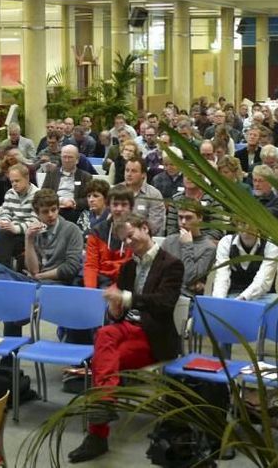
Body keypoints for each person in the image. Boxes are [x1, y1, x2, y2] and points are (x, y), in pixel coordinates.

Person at [68, 214, 183, 464]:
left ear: (145, 228)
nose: (128, 242)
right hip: (127, 327)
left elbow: (164, 304)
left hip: (154, 337)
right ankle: (105, 405)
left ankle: (97, 435)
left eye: (131, 236)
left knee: (104, 360)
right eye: (124, 239)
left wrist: (127, 298)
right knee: (105, 334)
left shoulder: (171, 264)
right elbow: (118, 309)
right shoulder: (128, 267)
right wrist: (115, 308)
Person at [83, 185, 134, 288]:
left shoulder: (137, 232)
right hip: (101, 281)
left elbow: (133, 268)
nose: (119, 209)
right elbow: (91, 266)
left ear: (131, 207)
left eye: (124, 205)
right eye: (115, 204)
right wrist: (90, 293)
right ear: (108, 206)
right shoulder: (97, 231)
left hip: (126, 282)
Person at [210, 226, 278, 300]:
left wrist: (242, 299)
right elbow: (222, 278)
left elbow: (263, 281)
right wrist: (219, 302)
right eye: (242, 222)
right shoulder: (226, 242)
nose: (247, 226)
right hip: (232, 294)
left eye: (250, 222)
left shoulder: (271, 244)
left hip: (264, 296)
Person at [161, 202, 216, 296]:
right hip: (164, 293)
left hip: (187, 298)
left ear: (200, 218)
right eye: (180, 217)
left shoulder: (208, 247)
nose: (183, 222)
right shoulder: (169, 241)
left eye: (188, 217)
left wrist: (187, 245)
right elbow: (158, 272)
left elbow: (188, 278)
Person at [0, 164, 38, 269]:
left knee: (3, 238)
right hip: (10, 232)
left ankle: (1, 270)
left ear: (27, 178)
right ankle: (2, 270)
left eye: (17, 181)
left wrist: (15, 229)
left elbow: (35, 222)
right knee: (1, 233)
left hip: (28, 234)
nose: (14, 184)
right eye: (12, 181)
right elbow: (5, 212)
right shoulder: (10, 193)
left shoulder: (37, 195)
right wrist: (3, 222)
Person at [40, 144, 91, 224]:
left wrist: (73, 202)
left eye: (70, 157)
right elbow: (43, 193)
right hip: (54, 207)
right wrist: (60, 200)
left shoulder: (85, 177)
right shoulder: (52, 173)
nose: (66, 160)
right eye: (64, 157)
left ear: (77, 159)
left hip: (74, 211)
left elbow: (89, 199)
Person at [122, 156, 165, 236]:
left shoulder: (154, 195)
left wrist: (132, 235)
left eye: (134, 171)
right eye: (127, 170)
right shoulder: (117, 191)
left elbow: (154, 226)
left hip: (144, 239)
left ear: (143, 175)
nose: (129, 174)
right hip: (119, 237)